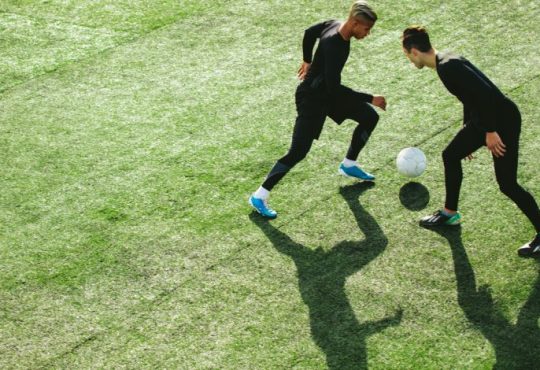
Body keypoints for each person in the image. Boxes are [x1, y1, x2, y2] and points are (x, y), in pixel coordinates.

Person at [402, 25, 540, 257]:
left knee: (507, 183)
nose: (408, 60)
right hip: (487, 119)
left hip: (502, 121)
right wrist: (467, 130)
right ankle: (449, 213)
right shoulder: (447, 60)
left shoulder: (447, 68)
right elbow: (470, 97)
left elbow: (485, 95)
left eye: (406, 55)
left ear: (414, 51)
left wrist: (490, 131)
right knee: (451, 154)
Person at [249, 1, 386, 219]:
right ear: (354, 22)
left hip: (327, 95)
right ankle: (259, 195)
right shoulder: (335, 45)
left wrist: (307, 60)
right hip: (312, 99)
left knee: (369, 117)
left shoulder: (334, 25)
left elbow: (309, 32)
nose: (367, 34)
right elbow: (335, 88)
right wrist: (370, 98)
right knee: (298, 151)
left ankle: (349, 164)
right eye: (367, 29)